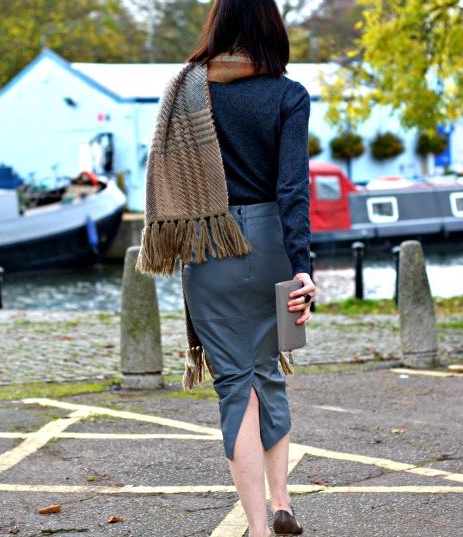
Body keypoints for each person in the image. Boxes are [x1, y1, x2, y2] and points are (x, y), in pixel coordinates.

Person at [136, 1, 314, 535]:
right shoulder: (289, 95)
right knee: (269, 373)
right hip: (272, 246)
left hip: (207, 243)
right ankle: (282, 501)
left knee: (236, 384)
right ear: (271, 27)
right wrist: (301, 267)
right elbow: (293, 190)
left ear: (218, 25)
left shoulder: (188, 91)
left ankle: (258, 528)